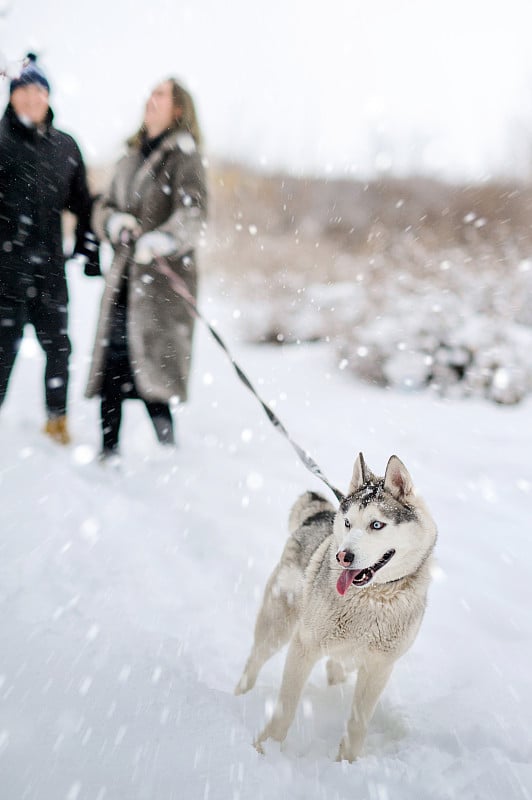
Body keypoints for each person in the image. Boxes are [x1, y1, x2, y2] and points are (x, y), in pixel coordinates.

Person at [85, 77, 207, 460]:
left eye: (160, 95)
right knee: (112, 367)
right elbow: (102, 205)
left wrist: (163, 240)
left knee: (153, 374)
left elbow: (194, 213)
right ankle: (109, 454)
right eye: (150, 94)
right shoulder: (129, 156)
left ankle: (169, 456)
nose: (150, 100)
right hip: (123, 281)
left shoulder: (184, 155)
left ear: (177, 109)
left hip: (161, 289)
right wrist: (115, 222)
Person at [0, 54, 101, 444]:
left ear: (48, 96)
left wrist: (88, 252)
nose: (30, 97)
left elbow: (83, 204)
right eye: (22, 90)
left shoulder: (65, 146)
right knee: (2, 351)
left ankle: (56, 420)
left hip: (49, 272)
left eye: (38, 90)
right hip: (5, 273)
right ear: (12, 97)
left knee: (58, 348)